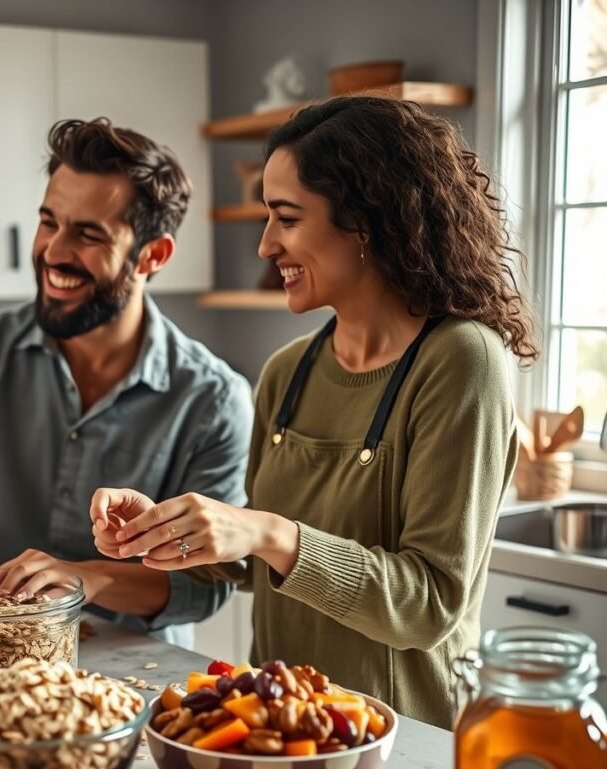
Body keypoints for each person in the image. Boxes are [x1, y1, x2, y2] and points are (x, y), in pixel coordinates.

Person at [91, 97, 536, 727]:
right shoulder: (289, 371)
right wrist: (163, 529)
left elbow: (430, 604)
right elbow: (259, 563)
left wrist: (267, 531)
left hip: (399, 737)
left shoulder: (462, 361)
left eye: (287, 218)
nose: (266, 244)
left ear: (367, 222)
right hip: (280, 730)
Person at [0, 118, 252, 647]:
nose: (52, 251)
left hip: (131, 676)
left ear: (152, 256)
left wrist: (87, 577)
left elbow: (203, 585)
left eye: (87, 234)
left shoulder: (214, 399)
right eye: (49, 222)